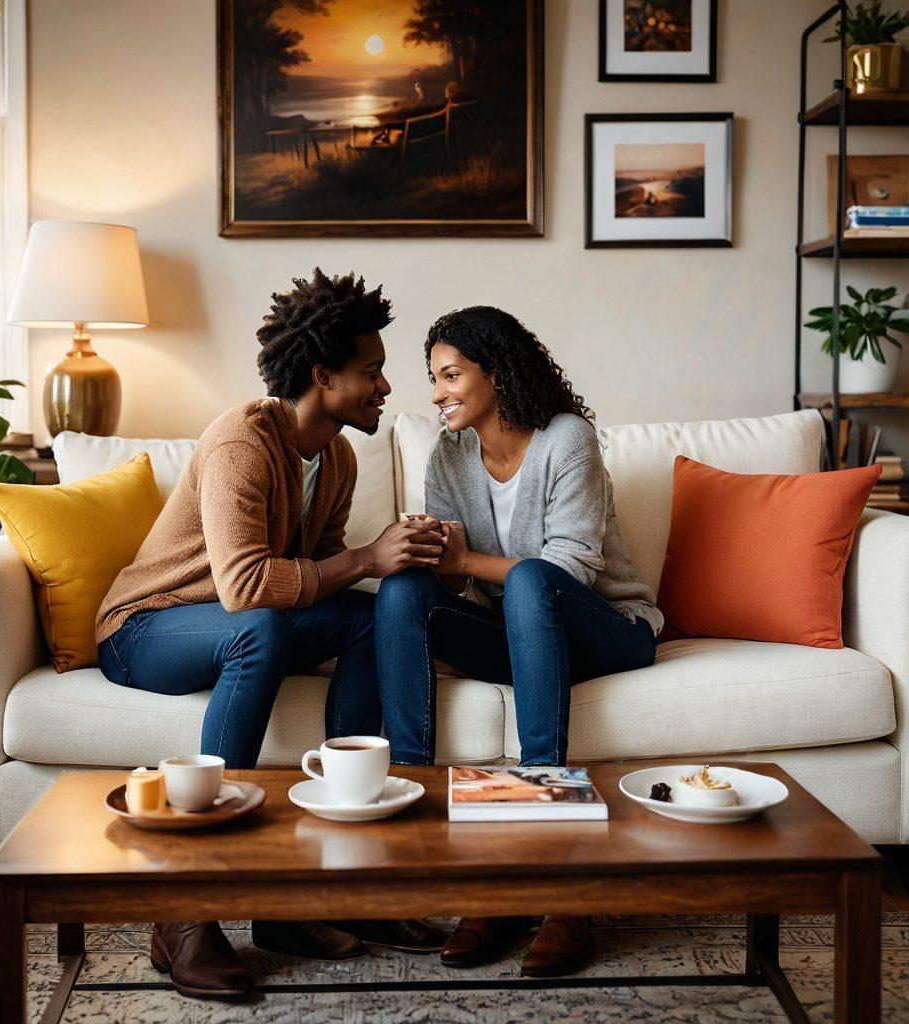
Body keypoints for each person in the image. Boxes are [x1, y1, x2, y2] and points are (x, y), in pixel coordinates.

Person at [96, 269, 448, 1000]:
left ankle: (322, 894)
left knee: (366, 616)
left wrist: (388, 559)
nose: (386, 388)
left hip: (236, 624)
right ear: (322, 375)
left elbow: (320, 569)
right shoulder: (242, 443)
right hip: (147, 627)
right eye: (371, 372)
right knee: (258, 626)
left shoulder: (339, 456)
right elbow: (246, 588)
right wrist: (364, 559)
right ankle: (185, 913)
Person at [374, 306, 664, 976]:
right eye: (434, 378)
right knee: (400, 592)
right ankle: (411, 810)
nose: (439, 391)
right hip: (519, 635)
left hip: (608, 630)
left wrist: (465, 562)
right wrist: (424, 555)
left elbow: (569, 571)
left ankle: (556, 879)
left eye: (451, 374)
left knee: (533, 581)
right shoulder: (450, 452)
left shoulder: (567, 439)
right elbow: (455, 584)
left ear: (496, 373)